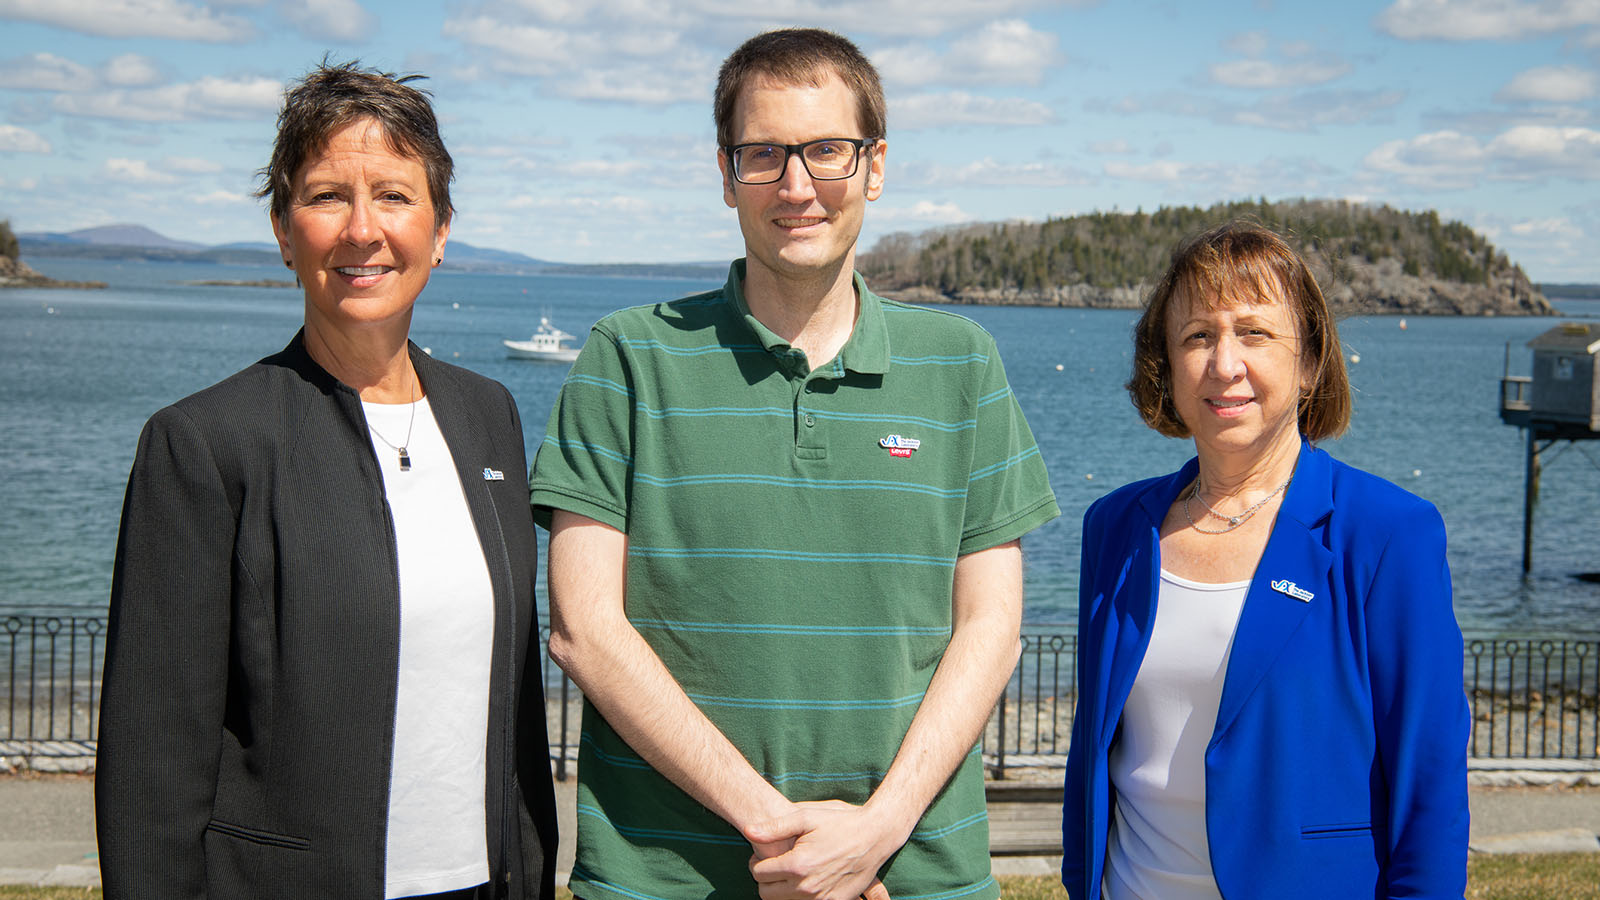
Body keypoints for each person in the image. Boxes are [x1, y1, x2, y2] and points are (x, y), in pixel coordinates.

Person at [529, 27, 1059, 900]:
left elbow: (991, 630)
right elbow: (585, 629)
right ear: (726, 172)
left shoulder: (962, 362)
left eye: (827, 152)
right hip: (665, 878)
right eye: (764, 154)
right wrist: (790, 840)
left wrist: (874, 834)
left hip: (912, 874)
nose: (797, 185)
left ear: (874, 167)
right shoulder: (627, 357)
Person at [95, 61, 557, 900]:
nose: (360, 229)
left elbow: (514, 693)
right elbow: (153, 759)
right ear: (282, 229)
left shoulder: (488, 414)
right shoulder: (203, 443)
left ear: (441, 227)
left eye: (393, 194)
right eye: (325, 196)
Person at [1060, 221, 1469, 900]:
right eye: (1197, 336)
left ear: (1308, 362)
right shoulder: (1114, 528)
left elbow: (1429, 789)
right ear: (1166, 362)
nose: (1224, 364)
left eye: (1254, 333)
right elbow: (1096, 754)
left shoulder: (1387, 533)